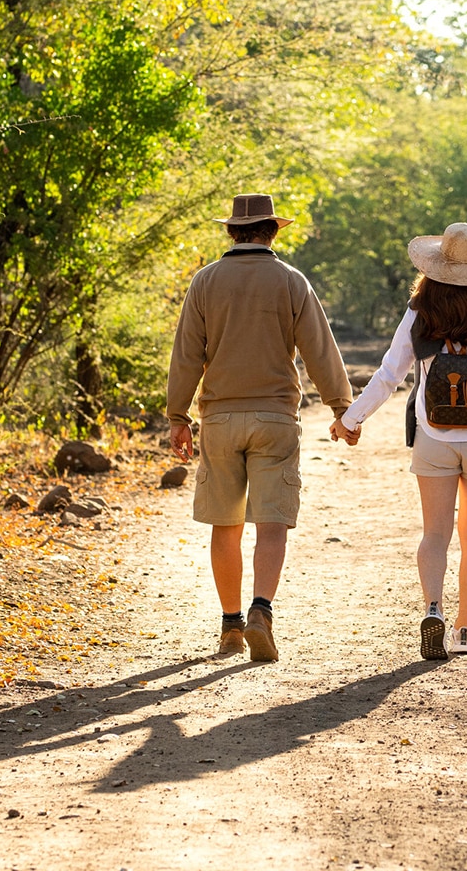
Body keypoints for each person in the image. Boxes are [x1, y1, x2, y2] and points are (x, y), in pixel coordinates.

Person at [166, 193, 356, 663]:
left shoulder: (205, 282)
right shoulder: (291, 281)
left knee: (224, 524)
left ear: (232, 231)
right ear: (273, 230)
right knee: (272, 524)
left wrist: (177, 416)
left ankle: (230, 626)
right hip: (275, 419)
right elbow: (318, 348)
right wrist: (340, 407)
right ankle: (261, 612)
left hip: (220, 420)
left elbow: (187, 353)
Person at [335, 222, 467, 660]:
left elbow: (389, 374)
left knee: (434, 532)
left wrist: (351, 418)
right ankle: (463, 631)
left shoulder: (421, 310)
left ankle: (434, 608)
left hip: (433, 433)